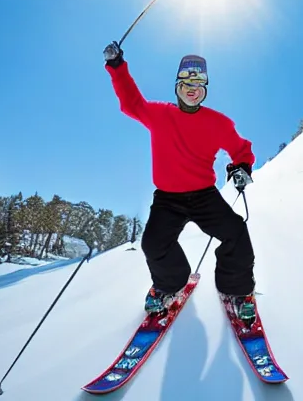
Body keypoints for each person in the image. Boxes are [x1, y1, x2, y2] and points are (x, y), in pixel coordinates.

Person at [103, 41, 256, 321]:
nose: (192, 89)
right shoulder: (160, 114)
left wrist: (242, 166)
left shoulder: (218, 123)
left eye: (198, 86)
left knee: (235, 231)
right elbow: (131, 103)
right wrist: (117, 66)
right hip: (168, 198)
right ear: (178, 86)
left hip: (204, 196)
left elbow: (240, 148)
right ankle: (169, 286)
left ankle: (236, 291)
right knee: (153, 243)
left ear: (204, 91)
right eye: (186, 83)